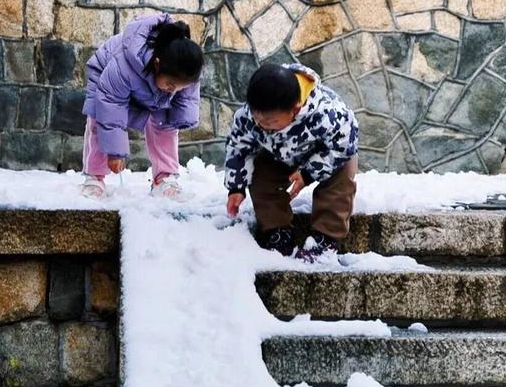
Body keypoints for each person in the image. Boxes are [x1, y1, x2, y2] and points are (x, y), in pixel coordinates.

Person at [225, 62, 358, 260]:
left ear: (295, 110)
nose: (262, 125)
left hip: (326, 155)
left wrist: (308, 173)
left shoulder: (328, 113)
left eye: (270, 123)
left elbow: (344, 145)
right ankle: (277, 231)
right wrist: (236, 188)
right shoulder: (248, 116)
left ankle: (325, 240)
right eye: (257, 119)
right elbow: (238, 147)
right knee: (260, 173)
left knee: (341, 178)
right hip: (279, 154)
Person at [81, 13, 203, 199]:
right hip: (107, 83)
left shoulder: (184, 71)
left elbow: (186, 95)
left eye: (180, 88)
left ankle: (164, 178)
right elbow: (111, 106)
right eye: (171, 85)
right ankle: (94, 178)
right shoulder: (124, 65)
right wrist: (115, 153)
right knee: (100, 119)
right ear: (157, 64)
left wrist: (181, 117)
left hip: (150, 88)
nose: (174, 91)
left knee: (165, 125)